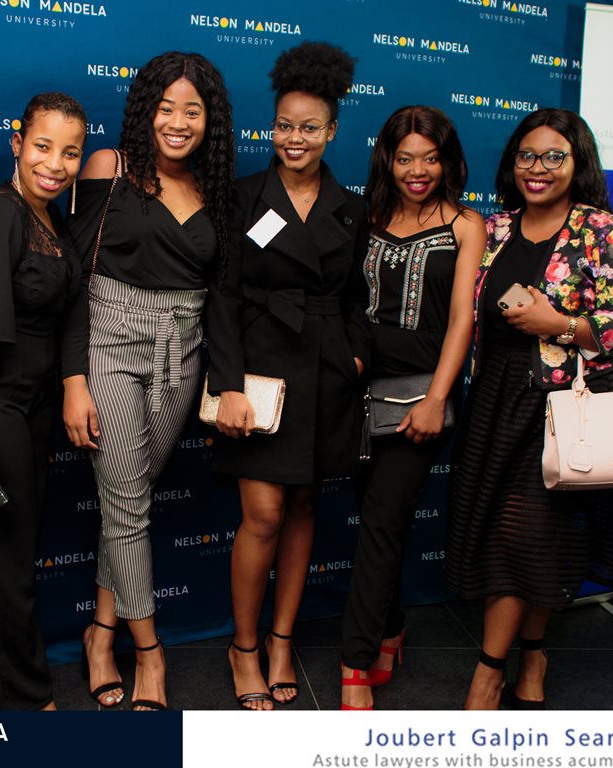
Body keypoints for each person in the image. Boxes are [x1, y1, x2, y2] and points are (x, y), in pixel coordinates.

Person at [445, 108, 613, 710]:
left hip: (566, 407)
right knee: (516, 540)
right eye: (527, 156)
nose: (538, 168)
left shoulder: (604, 231)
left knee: (528, 535)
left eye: (555, 156)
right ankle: (533, 654)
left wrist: (558, 323)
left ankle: (488, 672)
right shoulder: (494, 229)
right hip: (496, 399)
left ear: (578, 163)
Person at [64, 51, 235, 711]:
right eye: (166, 108)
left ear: (209, 121)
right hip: (109, 344)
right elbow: (73, 278)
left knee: (128, 502)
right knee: (128, 505)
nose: (178, 122)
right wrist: (73, 378)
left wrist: (223, 376)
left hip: (182, 354)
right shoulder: (109, 167)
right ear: (145, 111)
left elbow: (221, 295)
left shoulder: (213, 191)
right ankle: (150, 656)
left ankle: (99, 633)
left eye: (192, 110)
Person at [206, 41, 369, 710]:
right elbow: (221, 296)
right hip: (259, 372)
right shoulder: (244, 197)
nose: (294, 138)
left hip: (326, 372)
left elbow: (358, 297)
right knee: (264, 512)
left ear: (332, 131)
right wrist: (229, 384)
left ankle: (281, 641)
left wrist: (355, 355)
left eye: (308, 127)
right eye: (283, 125)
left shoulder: (351, 207)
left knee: (303, 507)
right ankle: (243, 646)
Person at [0, 93, 87, 711]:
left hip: (28, 407)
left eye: (70, 152)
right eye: (43, 147)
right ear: (17, 143)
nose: (55, 164)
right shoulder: (4, 212)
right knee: (4, 563)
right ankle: (28, 700)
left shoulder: (49, 217)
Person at [339, 106, 485, 710]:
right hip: (358, 394)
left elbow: (462, 322)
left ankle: (353, 665)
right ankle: (391, 627)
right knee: (380, 519)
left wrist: (436, 398)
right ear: (388, 160)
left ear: (447, 162)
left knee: (380, 521)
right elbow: (349, 304)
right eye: (405, 159)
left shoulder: (465, 225)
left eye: (430, 158)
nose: (417, 171)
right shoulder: (367, 217)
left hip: (423, 395)